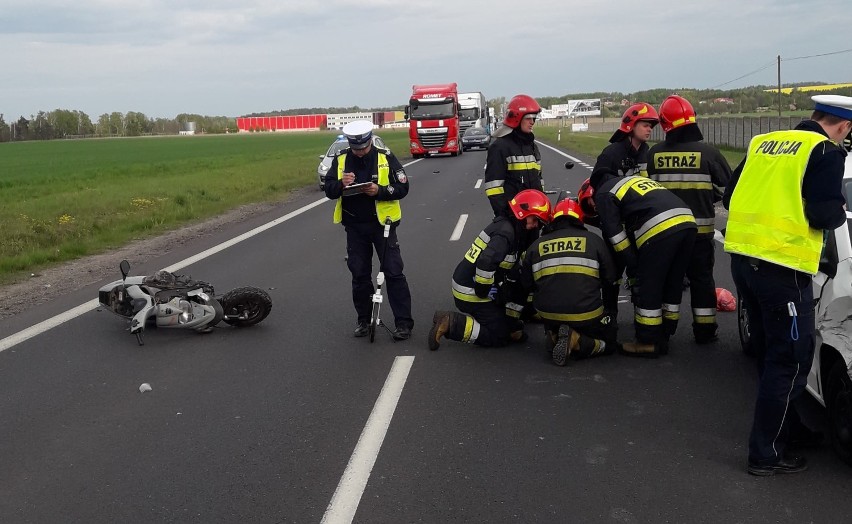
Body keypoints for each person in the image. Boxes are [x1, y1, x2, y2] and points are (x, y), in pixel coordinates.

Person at [723, 94, 852, 476]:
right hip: (784, 270)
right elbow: (825, 214)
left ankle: (789, 429)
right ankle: (765, 454)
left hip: (745, 263)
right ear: (843, 126)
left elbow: (730, 196)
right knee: (792, 361)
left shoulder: (765, 143)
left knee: (771, 351)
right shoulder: (826, 152)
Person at [647, 95, 733, 344]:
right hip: (700, 234)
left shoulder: (654, 155)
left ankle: (664, 329)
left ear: (665, 124)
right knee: (702, 280)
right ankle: (705, 330)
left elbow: (647, 192)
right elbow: (728, 188)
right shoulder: (709, 154)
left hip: (665, 233)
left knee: (667, 280)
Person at [590, 167, 696, 357]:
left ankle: (647, 341)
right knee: (673, 280)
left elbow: (616, 237)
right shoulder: (632, 182)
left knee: (649, 285)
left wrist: (634, 263)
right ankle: (666, 331)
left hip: (660, 227)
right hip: (687, 221)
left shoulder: (604, 193)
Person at [324, 120, 414, 340]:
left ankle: (403, 324)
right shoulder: (342, 158)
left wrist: (380, 191)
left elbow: (403, 187)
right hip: (354, 227)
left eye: (364, 148)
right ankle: (363, 321)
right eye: (356, 149)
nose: (360, 152)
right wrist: (341, 184)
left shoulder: (385, 156)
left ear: (370, 140)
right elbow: (328, 190)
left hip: (383, 224)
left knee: (393, 272)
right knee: (360, 274)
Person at [428, 189, 551, 350]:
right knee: (499, 335)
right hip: (471, 290)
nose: (536, 226)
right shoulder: (506, 233)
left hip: (473, 284)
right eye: (535, 220)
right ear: (523, 212)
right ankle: (451, 323)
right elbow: (486, 262)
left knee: (506, 322)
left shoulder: (509, 227)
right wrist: (483, 290)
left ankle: (510, 327)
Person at [518, 197, 620, 365]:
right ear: (580, 219)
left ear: (553, 218)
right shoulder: (594, 240)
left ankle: (555, 333)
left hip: (548, 313)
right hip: (586, 314)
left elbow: (526, 284)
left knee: (554, 318)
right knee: (610, 342)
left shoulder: (536, 245)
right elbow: (610, 278)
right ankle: (577, 340)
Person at [484, 94, 544, 219]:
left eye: (534, 118)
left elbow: (539, 180)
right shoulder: (499, 147)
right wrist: (506, 215)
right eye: (529, 118)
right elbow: (494, 188)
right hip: (512, 217)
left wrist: (541, 207)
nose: (532, 122)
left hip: (533, 216)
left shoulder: (532, 146)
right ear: (517, 118)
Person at [593, 102, 659, 177]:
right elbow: (598, 181)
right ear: (631, 126)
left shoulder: (648, 154)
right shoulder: (611, 153)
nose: (649, 129)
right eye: (645, 126)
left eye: (650, 127)